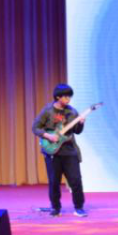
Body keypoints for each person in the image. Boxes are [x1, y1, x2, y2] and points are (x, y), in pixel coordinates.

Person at [31, 84, 87, 217]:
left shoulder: (72, 112)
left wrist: (81, 123)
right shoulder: (48, 111)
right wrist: (48, 135)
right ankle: (56, 208)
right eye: (66, 97)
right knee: (54, 181)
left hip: (69, 150)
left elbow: (77, 131)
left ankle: (79, 207)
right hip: (52, 152)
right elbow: (35, 127)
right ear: (58, 97)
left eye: (70, 97)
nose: (68, 99)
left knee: (76, 180)